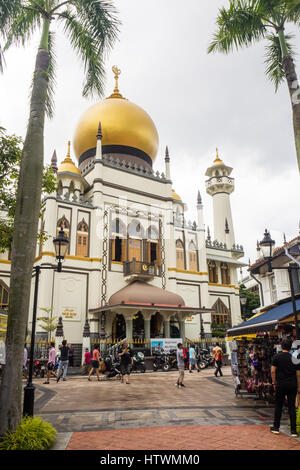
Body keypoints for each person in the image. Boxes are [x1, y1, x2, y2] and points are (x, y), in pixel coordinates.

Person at [270, 338, 300, 437]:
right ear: (290, 347)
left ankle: (276, 427)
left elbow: (273, 371)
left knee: (279, 405)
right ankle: (293, 431)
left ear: (281, 346)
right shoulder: (294, 358)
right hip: (292, 384)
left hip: (281, 384)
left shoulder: (276, 357)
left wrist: (274, 383)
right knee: (292, 407)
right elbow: (298, 374)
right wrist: (299, 387)